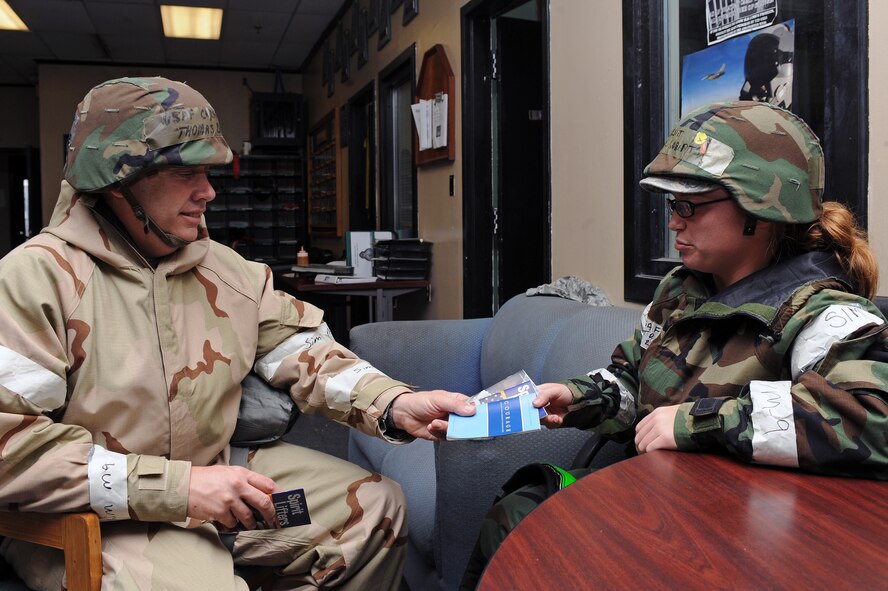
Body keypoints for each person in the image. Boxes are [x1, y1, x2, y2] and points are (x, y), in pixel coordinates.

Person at [0, 76, 474, 591]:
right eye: (187, 173)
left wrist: (393, 403)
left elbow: (304, 350)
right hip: (99, 513)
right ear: (117, 180)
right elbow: (13, 452)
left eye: (209, 172)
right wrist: (177, 488)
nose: (208, 192)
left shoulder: (228, 273)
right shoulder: (33, 280)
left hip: (218, 475)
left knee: (375, 510)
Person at [460, 100, 888, 589]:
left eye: (689, 205)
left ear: (761, 212)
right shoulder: (680, 290)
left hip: (733, 543)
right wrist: (579, 397)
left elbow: (873, 418)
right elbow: (632, 376)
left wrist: (696, 423)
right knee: (517, 515)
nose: (673, 223)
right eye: (671, 205)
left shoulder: (820, 312)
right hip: (650, 508)